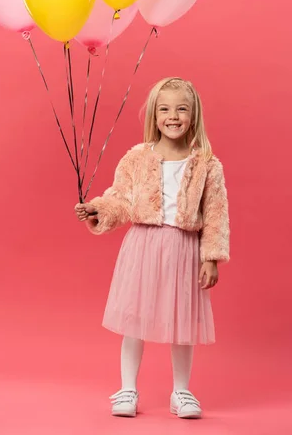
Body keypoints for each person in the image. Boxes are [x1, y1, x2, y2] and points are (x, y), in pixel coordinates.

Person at [75, 77, 230, 419]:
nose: (172, 116)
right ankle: (127, 388)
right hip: (144, 247)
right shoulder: (137, 157)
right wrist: (98, 209)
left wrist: (212, 257)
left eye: (181, 109)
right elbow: (121, 199)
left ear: (194, 115)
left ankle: (182, 391)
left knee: (183, 321)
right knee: (135, 319)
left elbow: (217, 213)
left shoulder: (207, 163)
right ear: (154, 116)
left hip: (185, 249)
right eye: (164, 109)